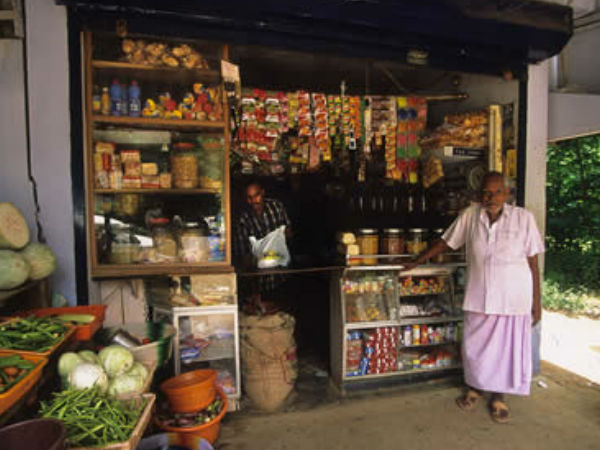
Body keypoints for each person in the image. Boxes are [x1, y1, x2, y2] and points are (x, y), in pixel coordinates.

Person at [403, 171, 544, 423]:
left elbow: (533, 264)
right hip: (479, 296)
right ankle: (476, 388)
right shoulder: (470, 215)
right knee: (474, 348)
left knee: (504, 352)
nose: (491, 198)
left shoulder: (524, 219)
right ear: (479, 194)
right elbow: (446, 242)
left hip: (512, 299)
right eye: (486, 193)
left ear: (507, 194)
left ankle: (499, 396)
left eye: (497, 192)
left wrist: (537, 303)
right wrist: (417, 260)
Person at [235, 180, 292, 307]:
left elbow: (289, 232)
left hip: (280, 277)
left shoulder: (276, 207)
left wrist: (276, 238)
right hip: (258, 284)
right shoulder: (244, 219)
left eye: (256, 195)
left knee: (281, 311)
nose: (253, 201)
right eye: (249, 198)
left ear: (263, 193)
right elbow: (244, 254)